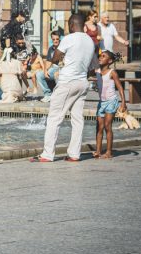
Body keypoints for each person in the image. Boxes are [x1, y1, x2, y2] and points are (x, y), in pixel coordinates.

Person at [31, 13, 96, 162]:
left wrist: (61, 58)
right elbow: (94, 67)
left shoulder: (68, 38)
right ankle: (74, 154)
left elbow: (54, 58)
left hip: (67, 83)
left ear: (72, 25)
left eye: (68, 25)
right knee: (78, 119)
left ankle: (47, 154)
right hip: (82, 83)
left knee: (54, 118)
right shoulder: (90, 41)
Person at [94, 50, 127, 159]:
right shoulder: (97, 71)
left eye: (103, 56)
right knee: (99, 127)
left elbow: (120, 87)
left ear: (110, 61)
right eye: (100, 56)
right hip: (101, 103)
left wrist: (123, 102)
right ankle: (98, 151)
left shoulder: (112, 72)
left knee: (107, 126)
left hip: (111, 102)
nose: (100, 58)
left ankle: (108, 152)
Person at [36, 32, 61, 103]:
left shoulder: (63, 47)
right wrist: (45, 70)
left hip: (61, 68)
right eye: (53, 39)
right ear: (51, 40)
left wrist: (60, 71)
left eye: (57, 39)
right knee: (39, 74)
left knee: (57, 75)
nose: (55, 41)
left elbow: (66, 62)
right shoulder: (51, 49)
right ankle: (48, 95)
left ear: (60, 39)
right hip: (53, 68)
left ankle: (59, 96)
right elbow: (48, 62)